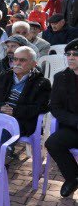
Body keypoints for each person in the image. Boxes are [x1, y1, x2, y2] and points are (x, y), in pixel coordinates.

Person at [0, 46, 51, 137]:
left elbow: (40, 108)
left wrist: (14, 111)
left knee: (0, 124)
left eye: (22, 60)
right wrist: (1, 107)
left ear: (34, 64)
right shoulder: (1, 76)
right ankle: (2, 149)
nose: (17, 63)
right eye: (15, 59)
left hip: (22, 121)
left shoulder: (42, 83)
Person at [45, 39, 78, 197]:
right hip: (73, 127)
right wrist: (74, 121)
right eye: (69, 54)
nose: (71, 57)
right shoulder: (61, 77)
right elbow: (55, 107)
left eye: (76, 54)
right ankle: (72, 178)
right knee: (52, 143)